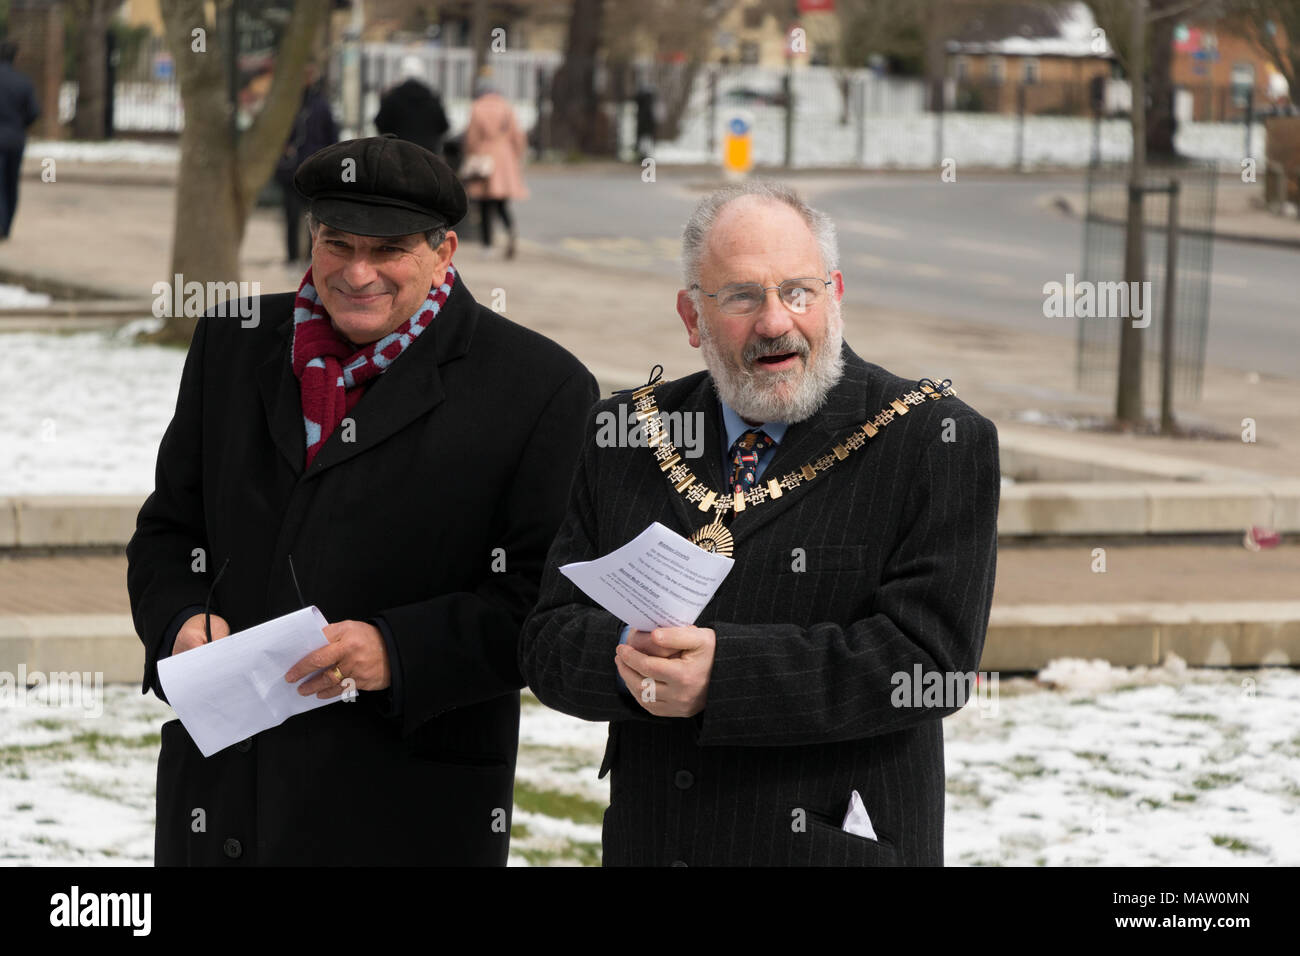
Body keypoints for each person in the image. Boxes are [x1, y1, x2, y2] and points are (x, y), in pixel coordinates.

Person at [126, 135, 597, 865]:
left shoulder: (542, 388)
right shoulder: (232, 342)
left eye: (388, 250)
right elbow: (168, 530)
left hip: (403, 808)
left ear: (444, 251)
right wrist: (178, 621)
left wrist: (395, 651)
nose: (357, 272)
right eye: (337, 244)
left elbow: (542, 602)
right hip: (223, 801)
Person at [518, 180, 1001, 866]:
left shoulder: (932, 439)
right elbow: (548, 640)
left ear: (835, 295)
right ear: (692, 317)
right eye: (742, 297)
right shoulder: (625, 432)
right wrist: (633, 659)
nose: (776, 321)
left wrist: (724, 676)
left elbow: (930, 662)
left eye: (799, 291)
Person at [274, 64, 338, 266]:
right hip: (291, 171)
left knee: (314, 219)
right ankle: (293, 257)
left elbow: (331, 136)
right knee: (292, 217)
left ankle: (311, 257)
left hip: (313, 170)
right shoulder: (289, 105)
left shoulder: (321, 105)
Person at [462, 77, 528, 259]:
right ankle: (510, 229)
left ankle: (487, 246)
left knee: (484, 205)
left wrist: (471, 154)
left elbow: (472, 138)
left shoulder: (477, 108)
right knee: (501, 202)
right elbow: (518, 136)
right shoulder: (507, 107)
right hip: (505, 156)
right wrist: (515, 156)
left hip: (484, 155)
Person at [0, 41, 40, 239]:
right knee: (11, 182)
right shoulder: (23, 82)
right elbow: (34, 112)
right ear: (15, 57)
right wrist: (20, 124)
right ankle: (6, 226)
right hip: (15, 138)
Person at [373, 56, 450, 156]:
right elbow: (444, 126)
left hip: (398, 155)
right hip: (427, 156)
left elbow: (380, 123)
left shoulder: (392, 98)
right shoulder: (432, 98)